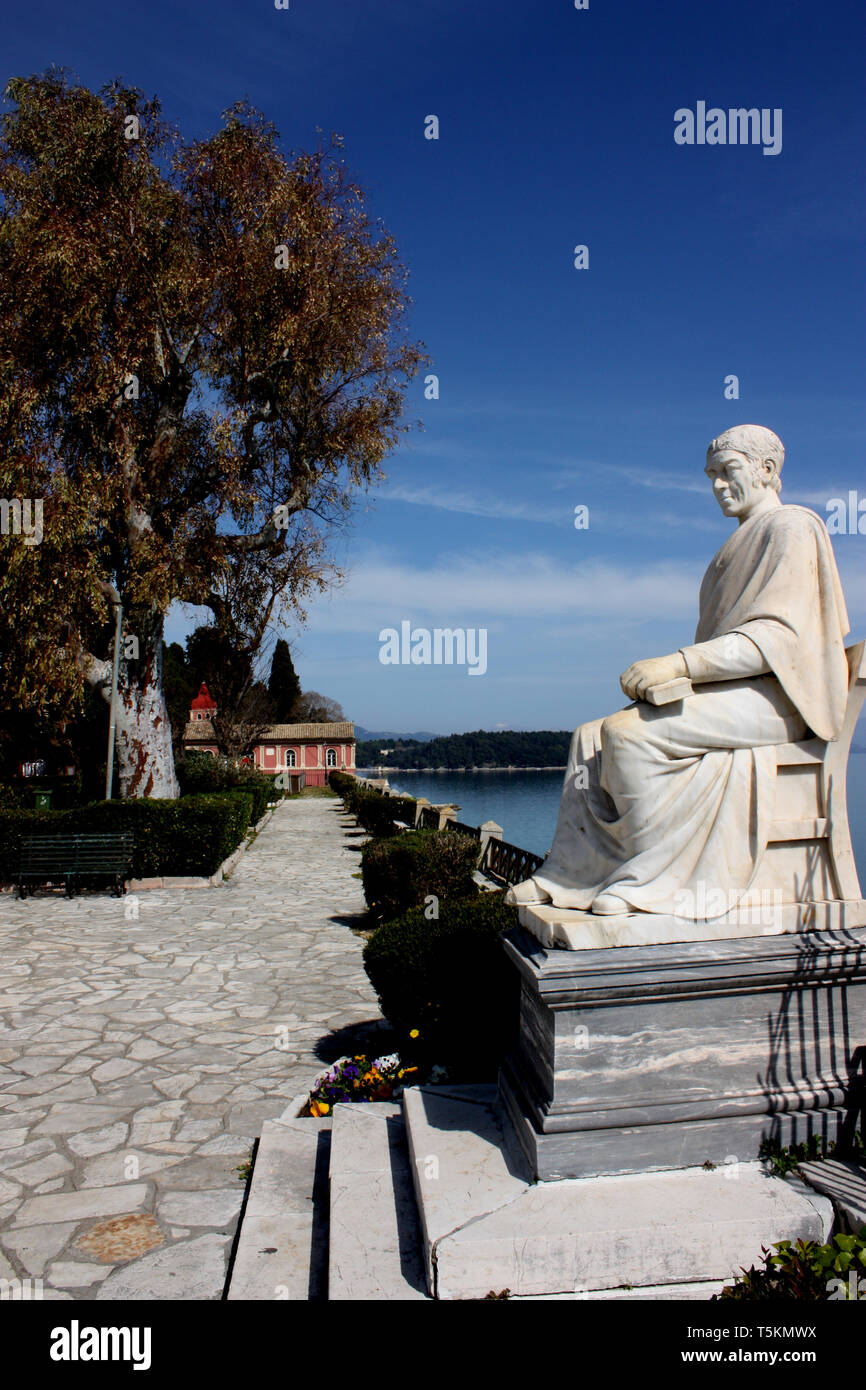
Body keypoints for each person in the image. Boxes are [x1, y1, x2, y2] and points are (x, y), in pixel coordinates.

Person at [506, 425, 850, 921]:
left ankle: (650, 880)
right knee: (588, 738)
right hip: (735, 694)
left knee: (628, 736)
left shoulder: (793, 526)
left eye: (728, 471)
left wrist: (678, 663)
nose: (717, 485)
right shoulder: (723, 557)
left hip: (779, 699)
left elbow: (779, 639)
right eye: (711, 475)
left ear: (768, 471)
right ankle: (576, 873)